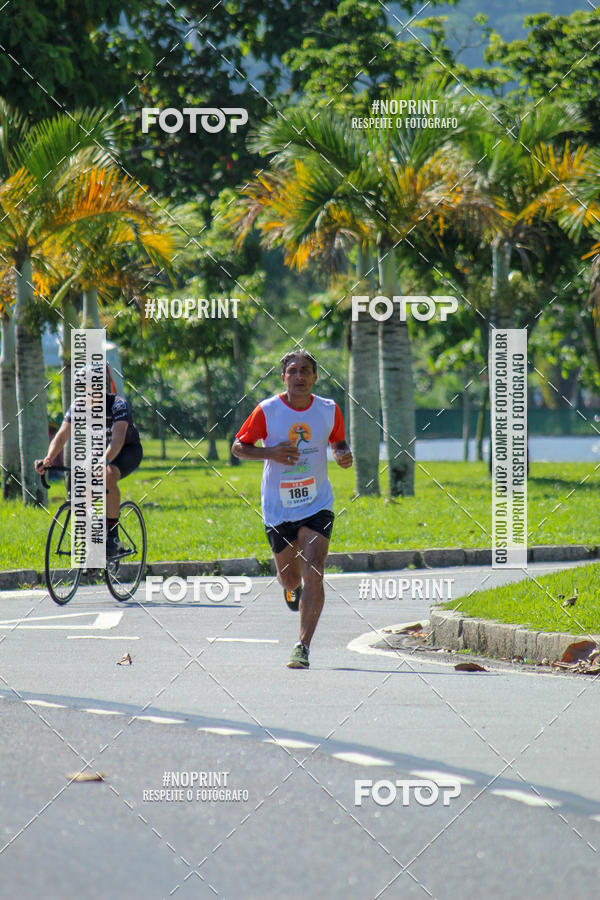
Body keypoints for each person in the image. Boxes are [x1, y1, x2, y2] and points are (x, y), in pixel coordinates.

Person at [232, 349, 353, 669]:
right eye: (293, 371)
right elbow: (238, 447)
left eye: (306, 371)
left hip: (317, 503)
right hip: (278, 506)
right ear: (283, 377)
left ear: (315, 377)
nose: (299, 376)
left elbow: (338, 441)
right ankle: (292, 589)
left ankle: (302, 646)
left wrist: (342, 454)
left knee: (315, 568)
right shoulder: (267, 410)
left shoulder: (329, 409)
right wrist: (270, 452)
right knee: (289, 579)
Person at [35, 377, 143, 557]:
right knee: (80, 487)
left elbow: (118, 439)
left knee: (107, 475)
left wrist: (104, 461)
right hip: (99, 449)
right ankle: (93, 545)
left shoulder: (118, 405)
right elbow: (62, 434)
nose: (87, 395)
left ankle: (113, 535)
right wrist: (48, 458)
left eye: (91, 390)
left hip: (126, 449)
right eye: (83, 390)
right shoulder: (79, 405)